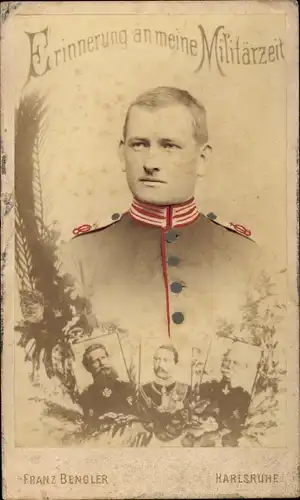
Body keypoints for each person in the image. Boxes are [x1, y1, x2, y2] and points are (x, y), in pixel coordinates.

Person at [60, 86, 264, 343]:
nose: (150, 162)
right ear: (121, 154)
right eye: (139, 145)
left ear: (202, 159)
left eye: (169, 146)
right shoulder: (78, 256)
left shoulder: (247, 257)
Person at [195, 346, 252, 446]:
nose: (229, 366)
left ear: (244, 367)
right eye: (227, 360)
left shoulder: (244, 396)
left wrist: (220, 433)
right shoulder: (208, 386)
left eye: (235, 363)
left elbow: (239, 423)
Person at [138, 344, 191, 441]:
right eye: (157, 359)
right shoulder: (143, 391)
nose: (160, 364)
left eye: (166, 360)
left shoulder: (186, 390)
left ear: (176, 364)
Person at [77, 343, 134, 424]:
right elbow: (86, 423)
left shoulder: (126, 387)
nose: (102, 363)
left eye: (103, 357)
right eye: (95, 361)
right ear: (88, 368)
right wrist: (101, 419)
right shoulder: (86, 395)